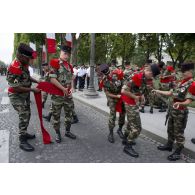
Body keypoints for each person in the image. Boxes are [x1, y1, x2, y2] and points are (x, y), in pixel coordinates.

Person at [153, 62, 195, 161]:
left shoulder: (192, 84)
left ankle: (178, 151)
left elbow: (189, 100)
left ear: (190, 71)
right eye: (182, 71)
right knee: (170, 129)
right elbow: (170, 93)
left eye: (184, 71)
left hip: (180, 112)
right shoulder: (181, 82)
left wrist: (181, 104)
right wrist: (158, 91)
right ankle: (169, 145)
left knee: (178, 133)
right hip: (173, 109)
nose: (182, 73)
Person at [6, 43, 40, 152]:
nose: (31, 61)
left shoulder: (23, 63)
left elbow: (26, 77)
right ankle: (22, 140)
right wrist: (32, 89)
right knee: (23, 114)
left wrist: (37, 81)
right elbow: (15, 88)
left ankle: (24, 133)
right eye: (29, 58)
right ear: (22, 56)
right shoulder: (14, 67)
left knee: (28, 113)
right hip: (16, 96)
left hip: (24, 94)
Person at [121, 64, 160, 158]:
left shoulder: (143, 77)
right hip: (130, 102)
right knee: (137, 128)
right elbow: (123, 91)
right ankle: (128, 146)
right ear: (149, 72)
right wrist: (136, 97)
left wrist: (141, 96)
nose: (152, 78)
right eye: (152, 76)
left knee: (131, 123)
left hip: (132, 101)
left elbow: (138, 88)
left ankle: (125, 139)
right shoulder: (136, 76)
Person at [49, 45, 76, 143]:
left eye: (68, 54)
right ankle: (57, 133)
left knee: (69, 115)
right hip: (57, 95)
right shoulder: (55, 63)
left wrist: (72, 87)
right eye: (65, 53)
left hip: (67, 95)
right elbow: (52, 79)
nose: (66, 56)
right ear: (60, 52)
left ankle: (67, 131)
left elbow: (72, 77)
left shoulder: (69, 65)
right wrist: (62, 88)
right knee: (56, 115)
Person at [99, 64, 126, 143]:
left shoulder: (117, 73)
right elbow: (107, 93)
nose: (109, 75)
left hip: (120, 94)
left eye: (109, 73)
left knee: (123, 112)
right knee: (112, 114)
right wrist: (116, 96)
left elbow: (123, 82)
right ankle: (110, 133)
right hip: (112, 97)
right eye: (106, 74)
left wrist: (123, 92)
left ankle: (120, 129)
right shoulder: (104, 81)